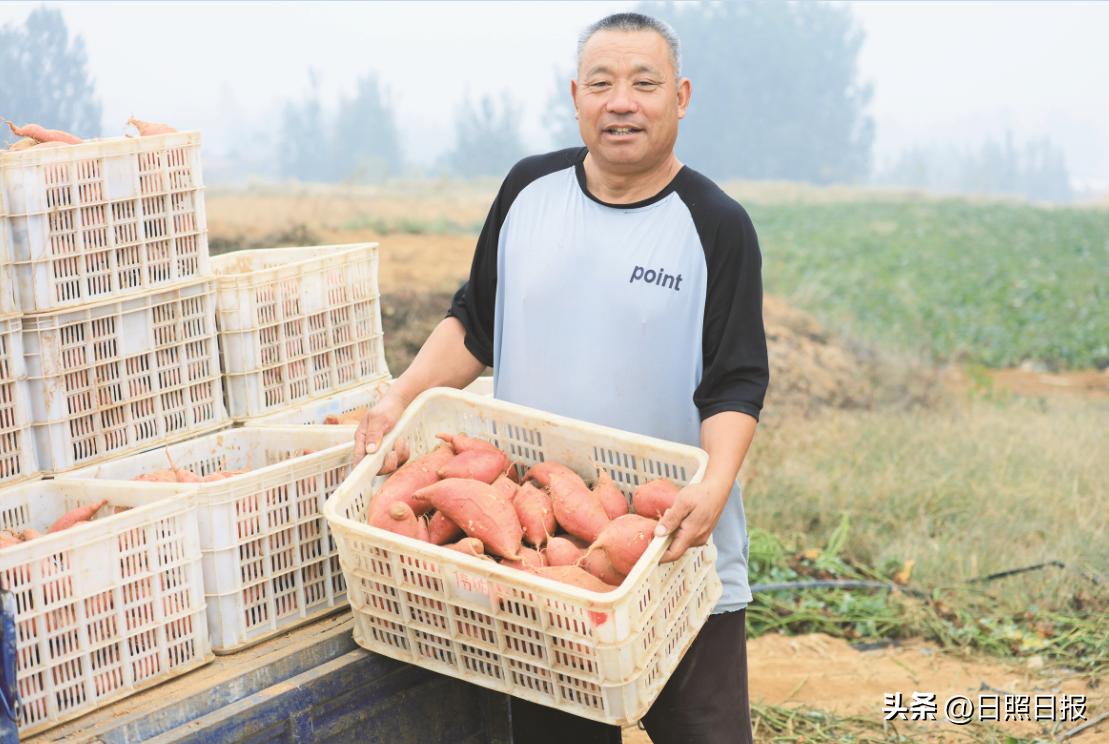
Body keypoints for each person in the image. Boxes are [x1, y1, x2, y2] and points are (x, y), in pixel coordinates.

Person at [354, 12, 767, 744]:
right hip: (545, 558)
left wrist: (711, 488)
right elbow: (473, 324)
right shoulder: (527, 192)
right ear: (576, 95)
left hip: (671, 550)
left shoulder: (713, 222)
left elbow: (735, 380)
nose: (621, 102)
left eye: (644, 83)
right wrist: (398, 395)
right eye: (601, 83)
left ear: (681, 96)